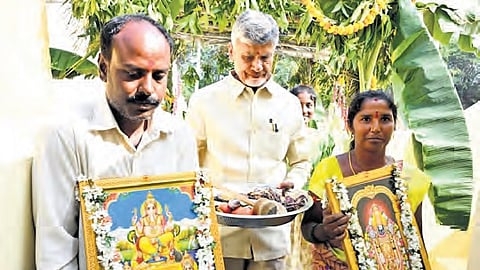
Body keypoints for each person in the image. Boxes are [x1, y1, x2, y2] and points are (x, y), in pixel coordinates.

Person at [32, 14, 198, 270]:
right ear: (103, 67)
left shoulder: (180, 136)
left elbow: (187, 229)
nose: (148, 89)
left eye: (159, 76)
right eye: (133, 74)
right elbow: (56, 249)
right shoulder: (67, 136)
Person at [186, 9, 312, 270]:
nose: (257, 66)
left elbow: (301, 161)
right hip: (218, 236)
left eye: (265, 57)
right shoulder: (204, 101)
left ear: (274, 54)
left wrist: (294, 182)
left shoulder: (288, 105)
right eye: (247, 57)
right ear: (231, 52)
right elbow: (188, 161)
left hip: (272, 237)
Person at [301, 90, 430, 269]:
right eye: (366, 119)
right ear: (350, 126)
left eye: (385, 119)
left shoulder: (410, 179)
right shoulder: (329, 170)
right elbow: (307, 227)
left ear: (394, 125)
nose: (376, 128)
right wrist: (325, 231)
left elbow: (416, 245)